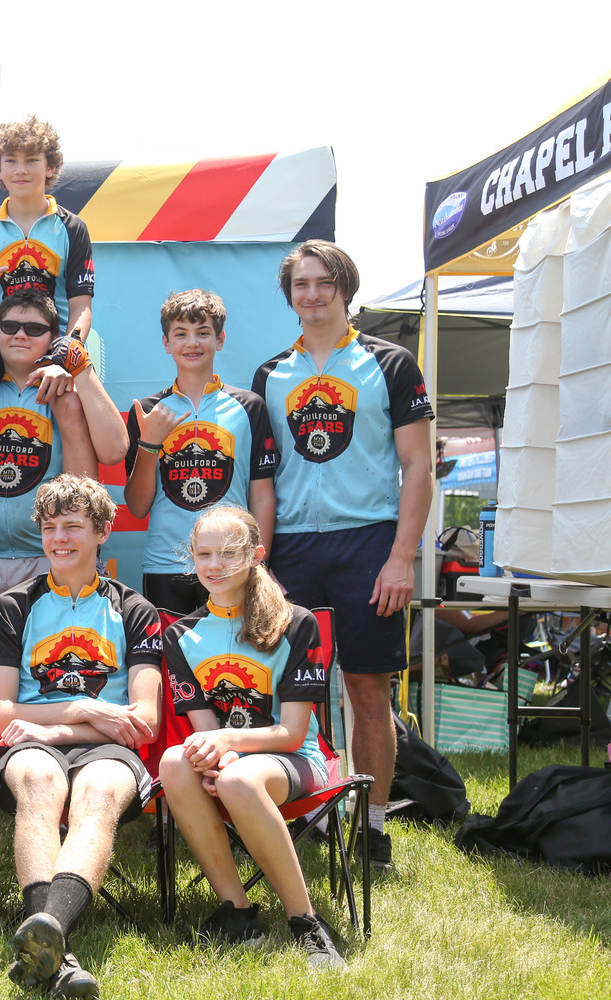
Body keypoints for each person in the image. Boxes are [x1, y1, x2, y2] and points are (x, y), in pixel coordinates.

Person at [251, 240, 432, 872]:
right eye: (301, 284)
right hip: (293, 546)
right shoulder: (271, 374)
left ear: (345, 289)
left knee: (366, 688)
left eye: (324, 282)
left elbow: (418, 466)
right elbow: (262, 479)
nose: (312, 294)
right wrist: (260, 561)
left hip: (368, 542)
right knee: (295, 691)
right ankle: (314, 809)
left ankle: (373, 826)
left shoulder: (391, 363)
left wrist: (402, 558)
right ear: (290, 296)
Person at [0, 474, 162, 1000]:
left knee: (100, 791)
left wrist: (59, 724)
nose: (59, 538)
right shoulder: (12, 606)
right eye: (49, 527)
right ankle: (57, 948)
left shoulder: (136, 610)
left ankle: (47, 939)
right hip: (31, 742)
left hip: (101, 745)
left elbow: (144, 720)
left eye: (73, 527)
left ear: (103, 531)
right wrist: (87, 707)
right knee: (40, 781)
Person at [158, 506, 345, 968]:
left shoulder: (296, 623)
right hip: (232, 762)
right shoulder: (181, 635)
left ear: (256, 556)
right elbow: (206, 733)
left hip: (295, 759)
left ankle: (306, 923)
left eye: (229, 553)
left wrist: (228, 750)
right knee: (173, 762)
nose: (214, 565)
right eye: (204, 554)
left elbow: (292, 733)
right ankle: (238, 915)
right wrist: (217, 756)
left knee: (239, 780)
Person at [0, 117, 125, 530]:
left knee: (69, 404)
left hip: (54, 344)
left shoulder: (71, 227)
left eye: (32, 159)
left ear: (50, 167)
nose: (21, 169)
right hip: (1, 341)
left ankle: (84, 524)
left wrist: (68, 353)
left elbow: (82, 306)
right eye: (11, 160)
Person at [0, 291, 109, 608]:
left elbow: (115, 450)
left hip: (49, 555)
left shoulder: (66, 392)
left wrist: (78, 373)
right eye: (9, 327)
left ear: (54, 338)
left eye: (34, 329)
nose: (20, 335)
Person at [124, 290, 278, 615]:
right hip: (165, 566)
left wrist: (258, 563)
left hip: (232, 565)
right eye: (181, 334)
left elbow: (262, 495)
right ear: (166, 343)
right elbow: (137, 507)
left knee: (234, 649)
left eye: (203, 333)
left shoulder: (250, 406)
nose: (192, 343)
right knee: (171, 650)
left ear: (220, 340)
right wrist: (150, 444)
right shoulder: (149, 412)